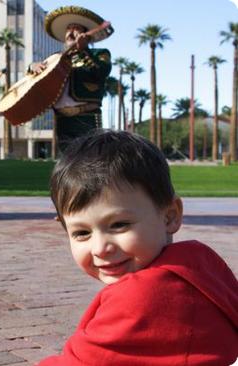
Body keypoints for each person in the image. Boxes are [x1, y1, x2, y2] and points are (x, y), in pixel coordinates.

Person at [40, 130, 238, 365]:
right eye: (82, 233)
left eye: (119, 225)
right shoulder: (198, 260)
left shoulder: (140, 297)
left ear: (169, 216)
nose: (100, 248)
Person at [29, 6, 113, 153]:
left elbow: (101, 72)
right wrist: (32, 66)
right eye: (68, 28)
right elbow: (36, 78)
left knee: (91, 161)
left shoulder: (100, 53)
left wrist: (84, 50)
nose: (71, 32)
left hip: (86, 117)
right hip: (62, 120)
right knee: (68, 165)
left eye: (76, 28)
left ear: (86, 34)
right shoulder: (55, 59)